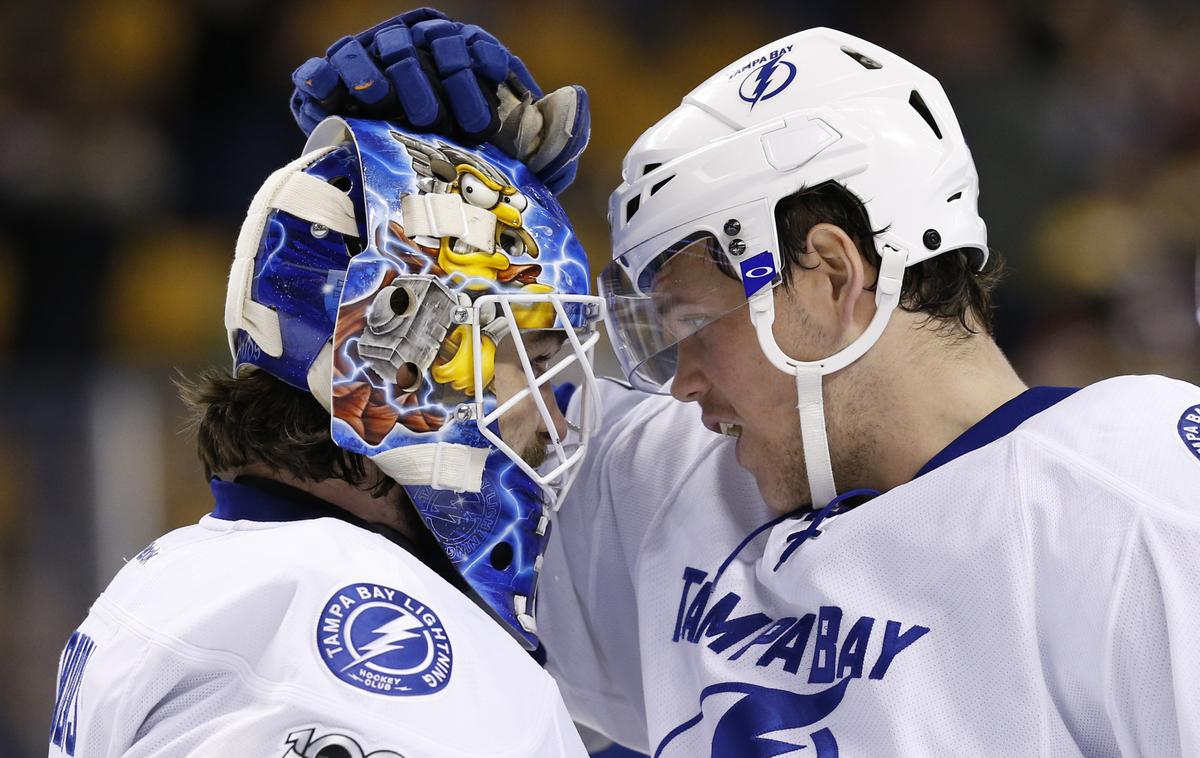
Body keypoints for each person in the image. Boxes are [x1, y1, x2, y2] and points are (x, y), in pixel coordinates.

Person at [299, 11, 1200, 757]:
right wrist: (385, 186)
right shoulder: (679, 479)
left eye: (692, 324)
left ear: (833, 276)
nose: (681, 385)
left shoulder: (1140, 504)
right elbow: (385, 412)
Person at [47, 116, 606, 756]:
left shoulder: (196, 573)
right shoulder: (356, 627)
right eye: (531, 364)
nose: (553, 422)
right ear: (403, 369)